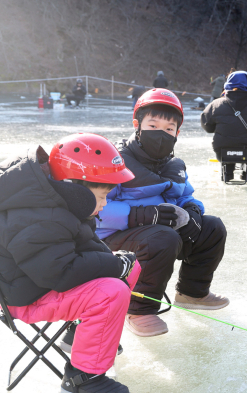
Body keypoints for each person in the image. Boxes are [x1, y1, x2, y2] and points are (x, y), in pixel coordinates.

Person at [0, 133, 140, 393]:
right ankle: (82, 380)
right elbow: (60, 273)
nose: (105, 203)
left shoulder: (57, 205)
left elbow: (84, 251)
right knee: (111, 292)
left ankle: (81, 335)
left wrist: (119, 263)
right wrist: (112, 265)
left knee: (129, 267)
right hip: (30, 299)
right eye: (101, 196)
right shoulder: (38, 218)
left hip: (47, 284)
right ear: (75, 188)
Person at [97, 88, 229, 337]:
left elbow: (185, 196)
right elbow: (94, 208)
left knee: (212, 228)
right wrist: (139, 215)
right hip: (112, 238)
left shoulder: (174, 165)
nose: (161, 134)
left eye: (169, 129)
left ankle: (192, 292)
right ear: (137, 125)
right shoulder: (115, 160)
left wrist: (192, 212)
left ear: (177, 133)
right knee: (163, 238)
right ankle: (139, 309)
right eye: (153, 125)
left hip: (158, 234)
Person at [201, 71, 247, 182]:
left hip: (222, 151)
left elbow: (207, 127)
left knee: (228, 144)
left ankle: (228, 173)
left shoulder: (215, 104)